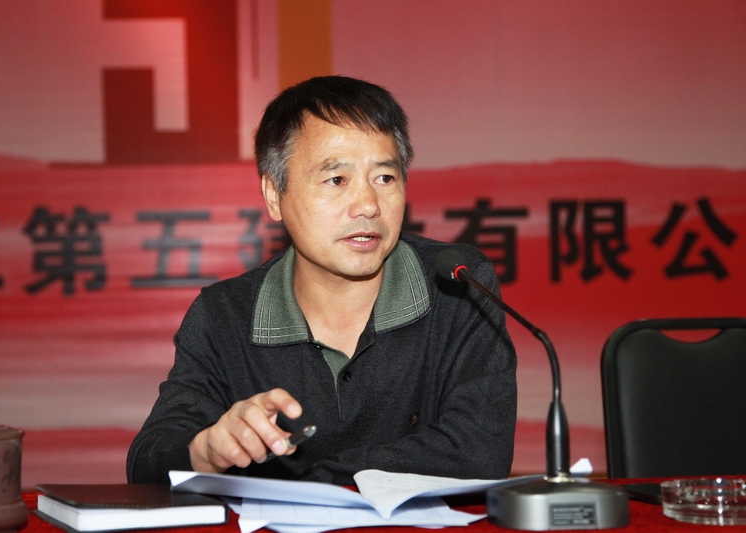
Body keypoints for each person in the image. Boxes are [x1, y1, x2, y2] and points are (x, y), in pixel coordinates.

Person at [127, 76, 516, 486]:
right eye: (336, 180)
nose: (368, 205)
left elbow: (480, 449)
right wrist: (205, 451)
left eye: (385, 178)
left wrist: (314, 481)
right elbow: (147, 463)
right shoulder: (224, 315)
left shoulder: (457, 285)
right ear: (274, 195)